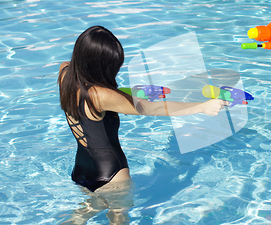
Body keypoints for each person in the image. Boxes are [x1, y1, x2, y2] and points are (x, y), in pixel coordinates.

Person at [58, 26, 227, 223]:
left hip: (82, 169)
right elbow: (151, 109)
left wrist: (136, 91)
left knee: (82, 214)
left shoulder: (65, 73)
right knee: (118, 216)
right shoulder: (100, 95)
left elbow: (108, 96)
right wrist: (202, 107)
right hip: (112, 175)